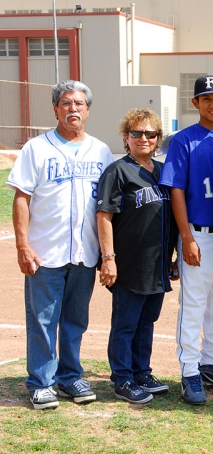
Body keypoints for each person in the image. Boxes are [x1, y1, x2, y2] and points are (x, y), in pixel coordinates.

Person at [7, 80, 114, 410]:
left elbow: (107, 206)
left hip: (85, 251)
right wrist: (23, 246)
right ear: (55, 109)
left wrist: (107, 253)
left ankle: (69, 376)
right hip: (45, 251)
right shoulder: (36, 148)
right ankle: (41, 381)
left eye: (79, 104)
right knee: (42, 319)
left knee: (75, 320)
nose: (73, 109)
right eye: (66, 103)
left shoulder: (101, 151)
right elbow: (21, 198)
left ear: (88, 110)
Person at [160, 75, 213, 405]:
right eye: (206, 98)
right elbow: (176, 190)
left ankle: (210, 363)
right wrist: (186, 237)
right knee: (194, 303)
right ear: (195, 103)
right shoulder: (184, 140)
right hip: (198, 234)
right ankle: (190, 370)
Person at [97, 108, 176, 404]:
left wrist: (174, 256)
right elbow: (104, 216)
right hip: (128, 261)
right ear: (126, 137)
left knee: (147, 321)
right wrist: (108, 258)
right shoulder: (118, 171)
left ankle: (141, 371)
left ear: (157, 139)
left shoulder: (164, 171)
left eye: (150, 134)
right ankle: (122, 378)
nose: (143, 138)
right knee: (126, 322)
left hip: (156, 262)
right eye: (136, 133)